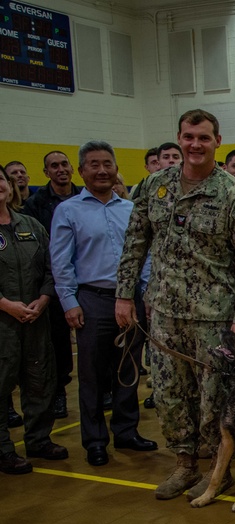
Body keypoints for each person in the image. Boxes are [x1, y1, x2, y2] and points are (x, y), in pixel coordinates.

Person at [115, 108, 235, 501]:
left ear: (217, 141)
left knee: (213, 400)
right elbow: (135, 244)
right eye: (188, 136)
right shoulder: (154, 187)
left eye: (204, 137)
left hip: (215, 319)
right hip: (165, 314)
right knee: (169, 393)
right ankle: (184, 464)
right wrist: (124, 294)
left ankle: (216, 470)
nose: (195, 144)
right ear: (179, 138)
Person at [49, 141, 157, 467]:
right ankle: (95, 440)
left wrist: (146, 292)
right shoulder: (68, 211)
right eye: (94, 164)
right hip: (92, 300)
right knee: (93, 375)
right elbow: (61, 262)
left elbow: (145, 256)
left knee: (129, 369)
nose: (101, 170)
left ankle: (126, 431)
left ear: (115, 168)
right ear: (82, 171)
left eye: (107, 163)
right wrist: (69, 302)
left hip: (131, 300)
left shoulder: (130, 209)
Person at [0, 164, 66, 474]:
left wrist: (43, 299)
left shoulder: (31, 225)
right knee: (1, 385)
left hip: (36, 318)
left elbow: (52, 267)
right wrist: (5, 304)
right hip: (3, 322)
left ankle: (38, 439)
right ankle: (2, 449)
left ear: (10, 186)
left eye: (0, 180)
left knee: (40, 380)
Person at [22, 150, 82, 420]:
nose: (60, 169)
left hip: (88, 279)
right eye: (54, 166)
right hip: (57, 281)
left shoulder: (85, 196)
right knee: (59, 342)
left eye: (64, 164)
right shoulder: (36, 205)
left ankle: (106, 390)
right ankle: (59, 392)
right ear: (46, 173)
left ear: (73, 168)